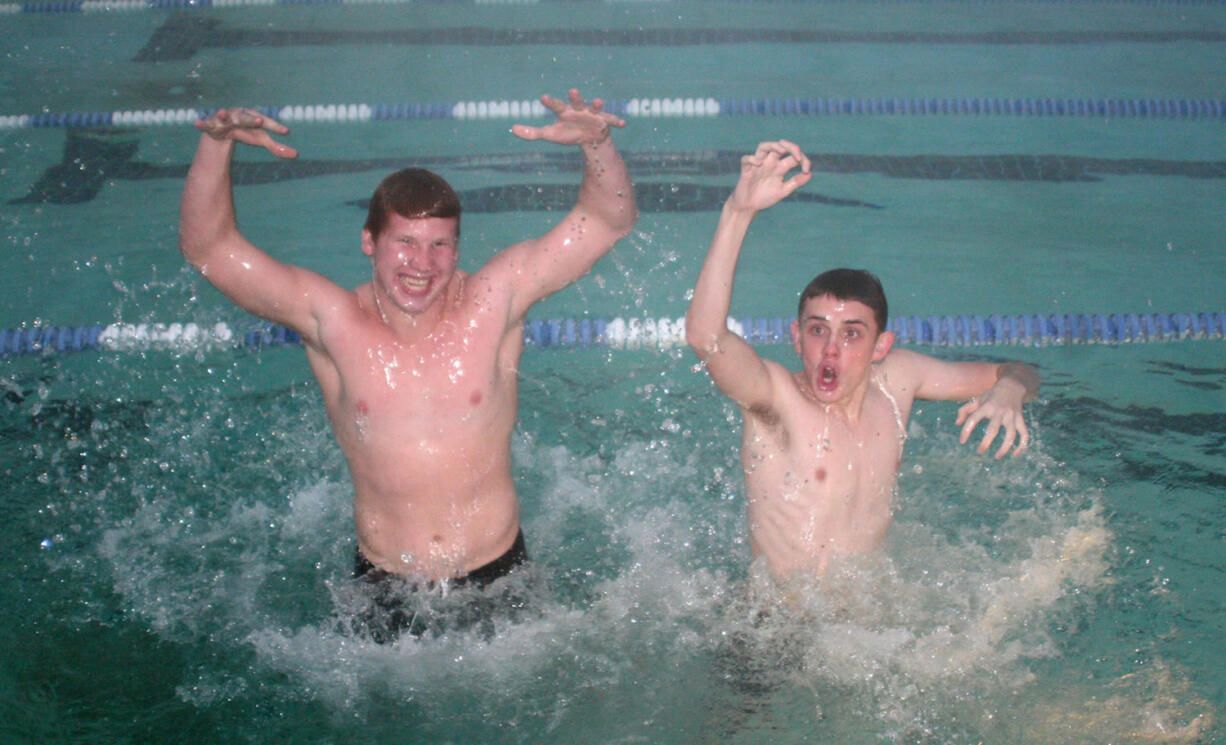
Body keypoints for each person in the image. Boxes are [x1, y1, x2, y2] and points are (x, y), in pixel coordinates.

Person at [179, 89, 636, 639]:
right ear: (369, 241)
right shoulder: (333, 320)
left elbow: (607, 221)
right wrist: (216, 144)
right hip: (384, 588)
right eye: (406, 242)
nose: (422, 264)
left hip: (500, 577)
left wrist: (598, 143)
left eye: (440, 245)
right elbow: (209, 249)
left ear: (458, 249)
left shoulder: (493, 301)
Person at [685, 139, 1039, 581]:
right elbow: (705, 338)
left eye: (852, 334)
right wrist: (737, 213)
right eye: (818, 330)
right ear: (796, 338)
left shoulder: (899, 380)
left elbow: (1018, 371)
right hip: (776, 633)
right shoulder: (775, 398)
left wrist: (1009, 391)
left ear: (881, 348)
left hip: (862, 628)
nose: (831, 349)